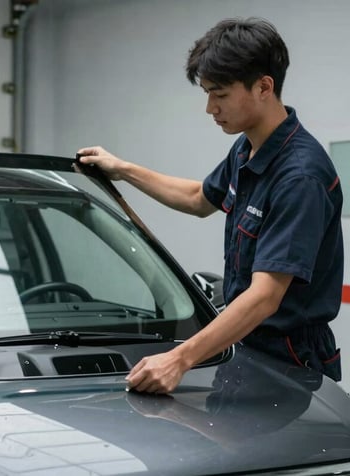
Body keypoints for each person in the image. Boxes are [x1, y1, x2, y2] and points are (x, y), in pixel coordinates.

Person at [78, 17, 342, 394]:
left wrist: (179, 359)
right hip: (242, 343)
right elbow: (199, 198)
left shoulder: (299, 176)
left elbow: (266, 295)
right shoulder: (248, 148)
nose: (209, 108)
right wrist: (122, 170)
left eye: (219, 94)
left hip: (291, 359)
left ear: (264, 87)